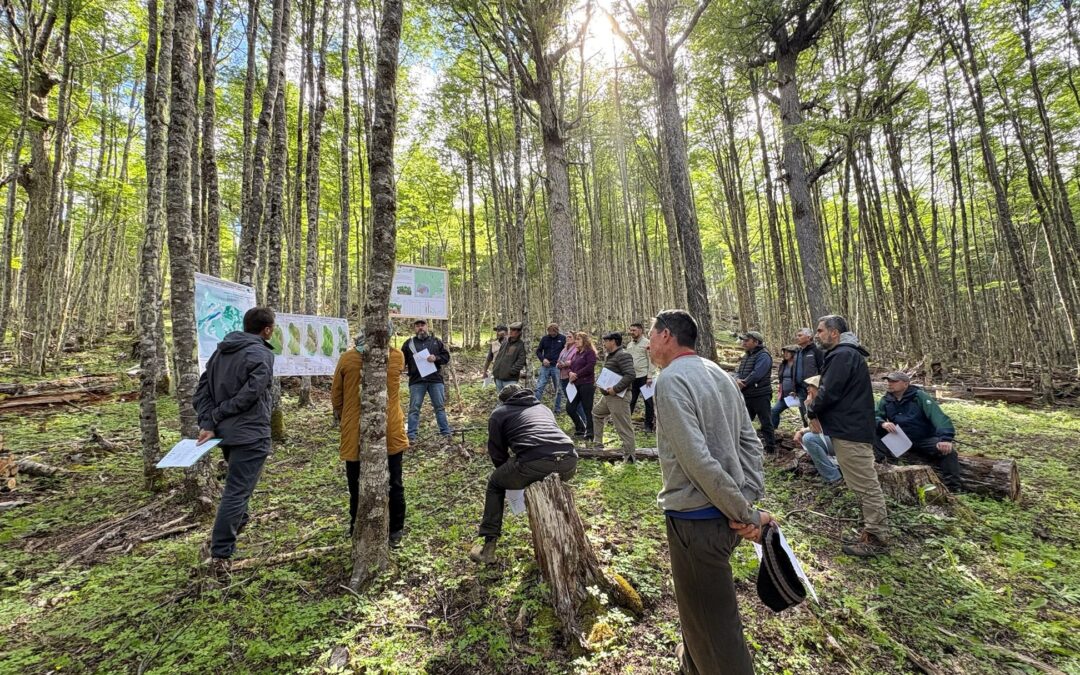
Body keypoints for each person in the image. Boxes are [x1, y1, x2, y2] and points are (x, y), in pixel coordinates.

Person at [648, 309, 767, 675]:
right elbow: (751, 444)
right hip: (723, 519)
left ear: (667, 335)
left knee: (717, 637)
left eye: (651, 335)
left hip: (696, 523)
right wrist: (746, 500)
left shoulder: (670, 381)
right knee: (699, 621)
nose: (649, 343)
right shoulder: (720, 374)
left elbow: (696, 460)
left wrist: (745, 513)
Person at [193, 306, 276, 577]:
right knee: (236, 492)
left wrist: (209, 421)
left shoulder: (220, 352)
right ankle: (221, 553)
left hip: (227, 434)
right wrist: (214, 417)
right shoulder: (261, 353)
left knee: (239, 491)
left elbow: (201, 391)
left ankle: (236, 524)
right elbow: (251, 393)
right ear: (266, 330)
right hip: (249, 433)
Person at [806, 315, 889, 557]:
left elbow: (829, 391)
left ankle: (877, 538)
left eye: (820, 330)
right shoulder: (846, 354)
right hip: (848, 429)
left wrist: (812, 410)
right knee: (860, 483)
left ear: (834, 333)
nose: (817, 335)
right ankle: (872, 532)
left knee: (865, 485)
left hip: (851, 431)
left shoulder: (843, 355)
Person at [469, 384, 578, 564]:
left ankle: (488, 549)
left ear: (504, 401)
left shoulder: (499, 413)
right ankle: (566, 538)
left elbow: (497, 453)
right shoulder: (543, 408)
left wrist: (510, 477)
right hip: (569, 461)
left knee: (495, 483)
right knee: (545, 481)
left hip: (535, 462)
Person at [331, 327, 410, 546]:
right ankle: (395, 531)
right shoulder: (396, 356)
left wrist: (347, 413)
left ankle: (356, 528)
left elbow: (336, 396)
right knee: (394, 481)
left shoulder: (348, 358)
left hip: (356, 431)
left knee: (356, 484)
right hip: (391, 428)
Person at [874, 372, 962, 492]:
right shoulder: (886, 400)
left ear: (905, 384)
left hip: (923, 439)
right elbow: (875, 416)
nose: (890, 384)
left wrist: (946, 438)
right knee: (874, 433)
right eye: (888, 381)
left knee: (949, 452)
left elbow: (938, 417)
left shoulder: (919, 396)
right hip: (901, 438)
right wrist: (882, 423)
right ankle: (884, 468)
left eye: (894, 381)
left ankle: (953, 488)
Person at [401, 319, 452, 442]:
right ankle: (412, 435)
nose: (420, 328)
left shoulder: (436, 342)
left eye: (422, 325)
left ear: (427, 326)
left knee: (439, 407)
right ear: (414, 328)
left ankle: (445, 433)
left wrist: (436, 358)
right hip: (417, 380)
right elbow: (401, 361)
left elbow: (446, 357)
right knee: (414, 408)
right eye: (417, 326)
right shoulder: (409, 343)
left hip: (435, 380)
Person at [593, 331, 636, 458]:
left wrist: (616, 389)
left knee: (623, 426)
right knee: (596, 413)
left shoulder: (623, 355)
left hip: (618, 397)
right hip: (607, 397)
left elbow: (630, 375)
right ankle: (597, 446)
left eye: (606, 341)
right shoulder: (611, 356)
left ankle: (630, 457)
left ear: (613, 341)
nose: (604, 343)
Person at [792, 376, 842, 485]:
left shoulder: (824, 404)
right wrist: (801, 431)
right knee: (807, 436)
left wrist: (808, 406)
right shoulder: (817, 403)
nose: (808, 389)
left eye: (811, 386)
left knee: (809, 439)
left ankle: (833, 477)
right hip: (832, 438)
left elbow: (816, 429)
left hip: (840, 441)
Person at [735, 331, 776, 454]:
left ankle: (770, 448)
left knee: (765, 422)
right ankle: (743, 446)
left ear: (756, 342)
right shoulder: (747, 356)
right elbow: (739, 370)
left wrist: (743, 383)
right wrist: (736, 379)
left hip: (760, 394)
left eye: (747, 341)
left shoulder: (764, 355)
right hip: (747, 395)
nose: (744, 343)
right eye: (743, 340)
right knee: (743, 421)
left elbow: (757, 374)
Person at [566, 332, 597, 440]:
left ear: (584, 340)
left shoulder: (590, 353)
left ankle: (590, 433)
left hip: (586, 384)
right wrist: (570, 372)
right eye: (576, 339)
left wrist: (577, 374)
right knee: (570, 408)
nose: (576, 341)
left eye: (578, 339)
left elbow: (590, 366)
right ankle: (580, 428)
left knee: (587, 409)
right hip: (575, 385)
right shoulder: (576, 353)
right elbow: (571, 366)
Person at [626, 322, 656, 432]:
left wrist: (650, 376)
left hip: (644, 377)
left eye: (634, 330)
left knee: (648, 401)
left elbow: (651, 360)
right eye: (630, 330)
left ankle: (649, 425)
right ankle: (626, 424)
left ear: (640, 330)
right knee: (631, 400)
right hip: (633, 377)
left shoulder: (647, 343)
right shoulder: (630, 345)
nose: (631, 332)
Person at [534, 323, 567, 413]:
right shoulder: (545, 339)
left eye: (553, 332)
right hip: (545, 366)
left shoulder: (562, 338)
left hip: (557, 367)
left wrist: (562, 362)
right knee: (539, 386)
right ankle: (535, 407)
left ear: (557, 331)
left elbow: (566, 351)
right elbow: (538, 351)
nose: (551, 333)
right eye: (550, 332)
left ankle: (557, 409)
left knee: (558, 388)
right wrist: (543, 359)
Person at [770, 345, 802, 429]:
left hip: (799, 394)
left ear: (794, 353)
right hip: (786, 395)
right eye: (785, 352)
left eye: (788, 352)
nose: (786, 354)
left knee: (806, 415)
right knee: (774, 411)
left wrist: (797, 391)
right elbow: (781, 379)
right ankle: (774, 431)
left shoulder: (799, 364)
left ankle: (806, 433)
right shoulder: (783, 364)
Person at [491, 322, 527, 392]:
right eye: (511, 329)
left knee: (510, 400)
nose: (511, 331)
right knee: (500, 398)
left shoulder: (520, 345)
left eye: (514, 330)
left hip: (510, 379)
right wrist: (495, 368)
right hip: (498, 376)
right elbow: (498, 356)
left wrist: (511, 371)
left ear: (519, 332)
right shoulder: (505, 342)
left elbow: (521, 360)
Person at [555, 334, 582, 428]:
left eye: (570, 336)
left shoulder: (576, 348)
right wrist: (558, 364)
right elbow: (558, 360)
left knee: (575, 402)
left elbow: (577, 360)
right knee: (571, 401)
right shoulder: (564, 349)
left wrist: (566, 363)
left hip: (571, 377)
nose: (568, 338)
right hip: (563, 377)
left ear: (575, 339)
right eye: (567, 336)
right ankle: (580, 424)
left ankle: (584, 422)